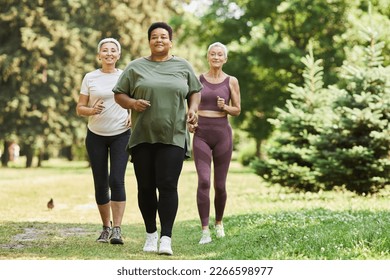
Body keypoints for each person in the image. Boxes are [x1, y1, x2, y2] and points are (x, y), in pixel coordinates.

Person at [113, 22, 202, 255]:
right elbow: (119, 94)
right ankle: (151, 234)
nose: (159, 40)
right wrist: (132, 103)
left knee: (168, 184)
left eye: (163, 36)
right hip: (143, 136)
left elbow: (195, 91)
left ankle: (166, 238)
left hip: (173, 135)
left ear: (171, 41)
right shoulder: (135, 67)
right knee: (146, 186)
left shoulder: (183, 66)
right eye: (154, 37)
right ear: (149, 41)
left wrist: (193, 110)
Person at [76, 38, 131, 245]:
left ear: (118, 55)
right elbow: (79, 108)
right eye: (105, 50)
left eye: (113, 50)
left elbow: (134, 100)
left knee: (116, 180)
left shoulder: (126, 75)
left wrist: (133, 114)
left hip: (121, 134)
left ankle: (117, 228)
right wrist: (91, 110)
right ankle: (105, 228)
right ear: (99, 55)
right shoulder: (90, 77)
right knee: (100, 182)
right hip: (95, 135)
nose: (109, 53)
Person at [191, 42, 241, 245]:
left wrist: (225, 107)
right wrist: (191, 120)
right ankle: (205, 231)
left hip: (223, 134)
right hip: (202, 134)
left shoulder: (232, 81)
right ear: (207, 56)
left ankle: (218, 223)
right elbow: (191, 106)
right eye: (213, 54)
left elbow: (237, 110)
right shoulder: (198, 79)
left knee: (220, 185)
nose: (216, 57)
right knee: (204, 181)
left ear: (225, 59)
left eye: (220, 54)